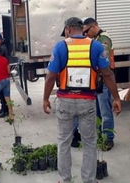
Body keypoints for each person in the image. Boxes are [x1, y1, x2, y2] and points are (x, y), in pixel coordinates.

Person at [43, 17, 121, 183]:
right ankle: (89, 180)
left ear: (68, 29)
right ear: (81, 28)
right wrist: (116, 98)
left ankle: (65, 180)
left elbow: (51, 76)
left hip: (65, 101)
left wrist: (45, 99)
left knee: (64, 142)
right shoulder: (95, 46)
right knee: (89, 142)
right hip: (87, 101)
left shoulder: (61, 46)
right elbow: (107, 74)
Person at [82, 17, 115, 150]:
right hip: (96, 81)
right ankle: (99, 136)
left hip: (103, 81)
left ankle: (108, 138)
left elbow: (104, 63)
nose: (85, 34)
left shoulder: (103, 39)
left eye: (86, 31)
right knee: (97, 111)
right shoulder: (96, 39)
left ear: (93, 26)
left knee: (105, 111)